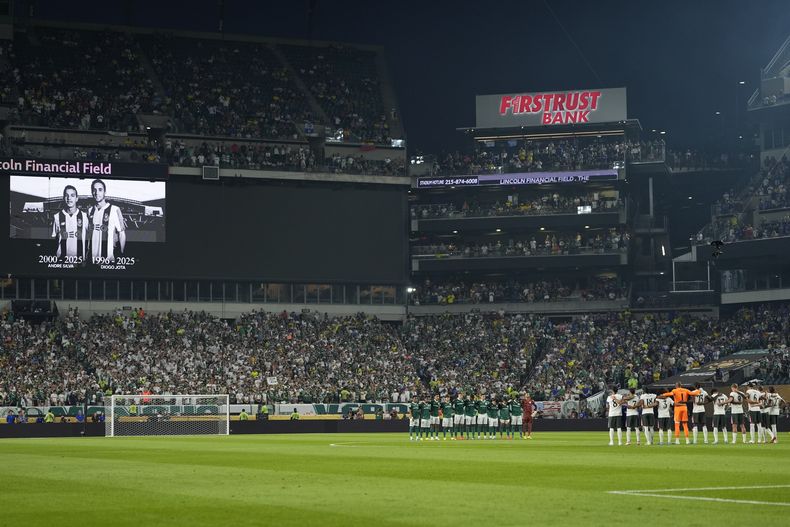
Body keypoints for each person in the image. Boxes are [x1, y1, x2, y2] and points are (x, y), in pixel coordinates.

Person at [87, 179, 126, 264]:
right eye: (94, 190)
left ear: (105, 192)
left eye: (100, 190)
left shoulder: (115, 209)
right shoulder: (90, 210)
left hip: (108, 260)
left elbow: (122, 234)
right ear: (92, 192)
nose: (97, 193)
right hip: (92, 259)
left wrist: (122, 254)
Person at [51, 185, 88, 260]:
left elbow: (90, 237)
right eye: (66, 195)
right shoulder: (57, 216)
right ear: (63, 198)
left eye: (72, 195)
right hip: (62, 261)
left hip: (80, 261)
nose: (69, 198)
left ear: (76, 198)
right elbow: (53, 239)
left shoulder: (84, 216)